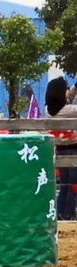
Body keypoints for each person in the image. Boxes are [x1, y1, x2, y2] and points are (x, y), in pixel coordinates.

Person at [45, 76, 77, 220]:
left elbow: (68, 98)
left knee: (65, 185)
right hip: (73, 148)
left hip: (60, 149)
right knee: (73, 185)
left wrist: (75, 87)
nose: (68, 91)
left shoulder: (49, 109)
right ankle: (69, 214)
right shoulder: (69, 110)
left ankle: (60, 214)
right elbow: (69, 103)